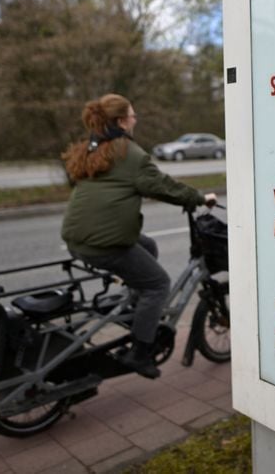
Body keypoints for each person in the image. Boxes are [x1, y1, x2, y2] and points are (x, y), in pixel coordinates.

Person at [61, 93, 216, 378]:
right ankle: (140, 353)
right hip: (104, 244)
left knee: (148, 245)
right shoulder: (127, 152)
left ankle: (136, 307)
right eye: (132, 115)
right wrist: (198, 197)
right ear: (121, 121)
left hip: (76, 238)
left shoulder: (93, 147)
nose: (135, 119)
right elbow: (161, 185)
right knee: (158, 284)